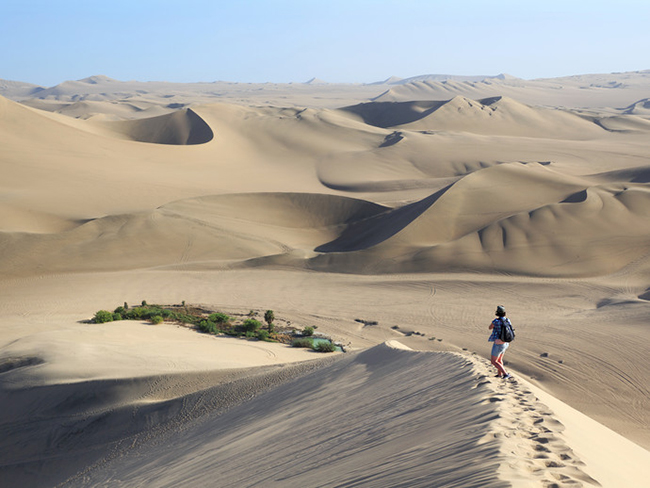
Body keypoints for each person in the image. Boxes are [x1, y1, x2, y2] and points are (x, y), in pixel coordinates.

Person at [488, 305, 512, 379]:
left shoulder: (496, 321)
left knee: (493, 361)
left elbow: (490, 328)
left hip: (498, 343)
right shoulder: (508, 320)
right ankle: (499, 374)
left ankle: (505, 374)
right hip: (506, 342)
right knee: (499, 360)